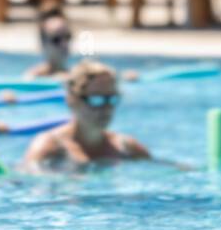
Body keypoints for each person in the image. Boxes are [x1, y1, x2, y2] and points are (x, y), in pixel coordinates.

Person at [22, 60, 150, 172]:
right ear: (72, 100)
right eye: (96, 99)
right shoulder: (50, 146)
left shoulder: (125, 147)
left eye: (112, 99)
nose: (106, 108)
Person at [25, 4, 72, 79]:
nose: (64, 44)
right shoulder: (33, 76)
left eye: (68, 37)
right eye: (56, 39)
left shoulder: (75, 77)